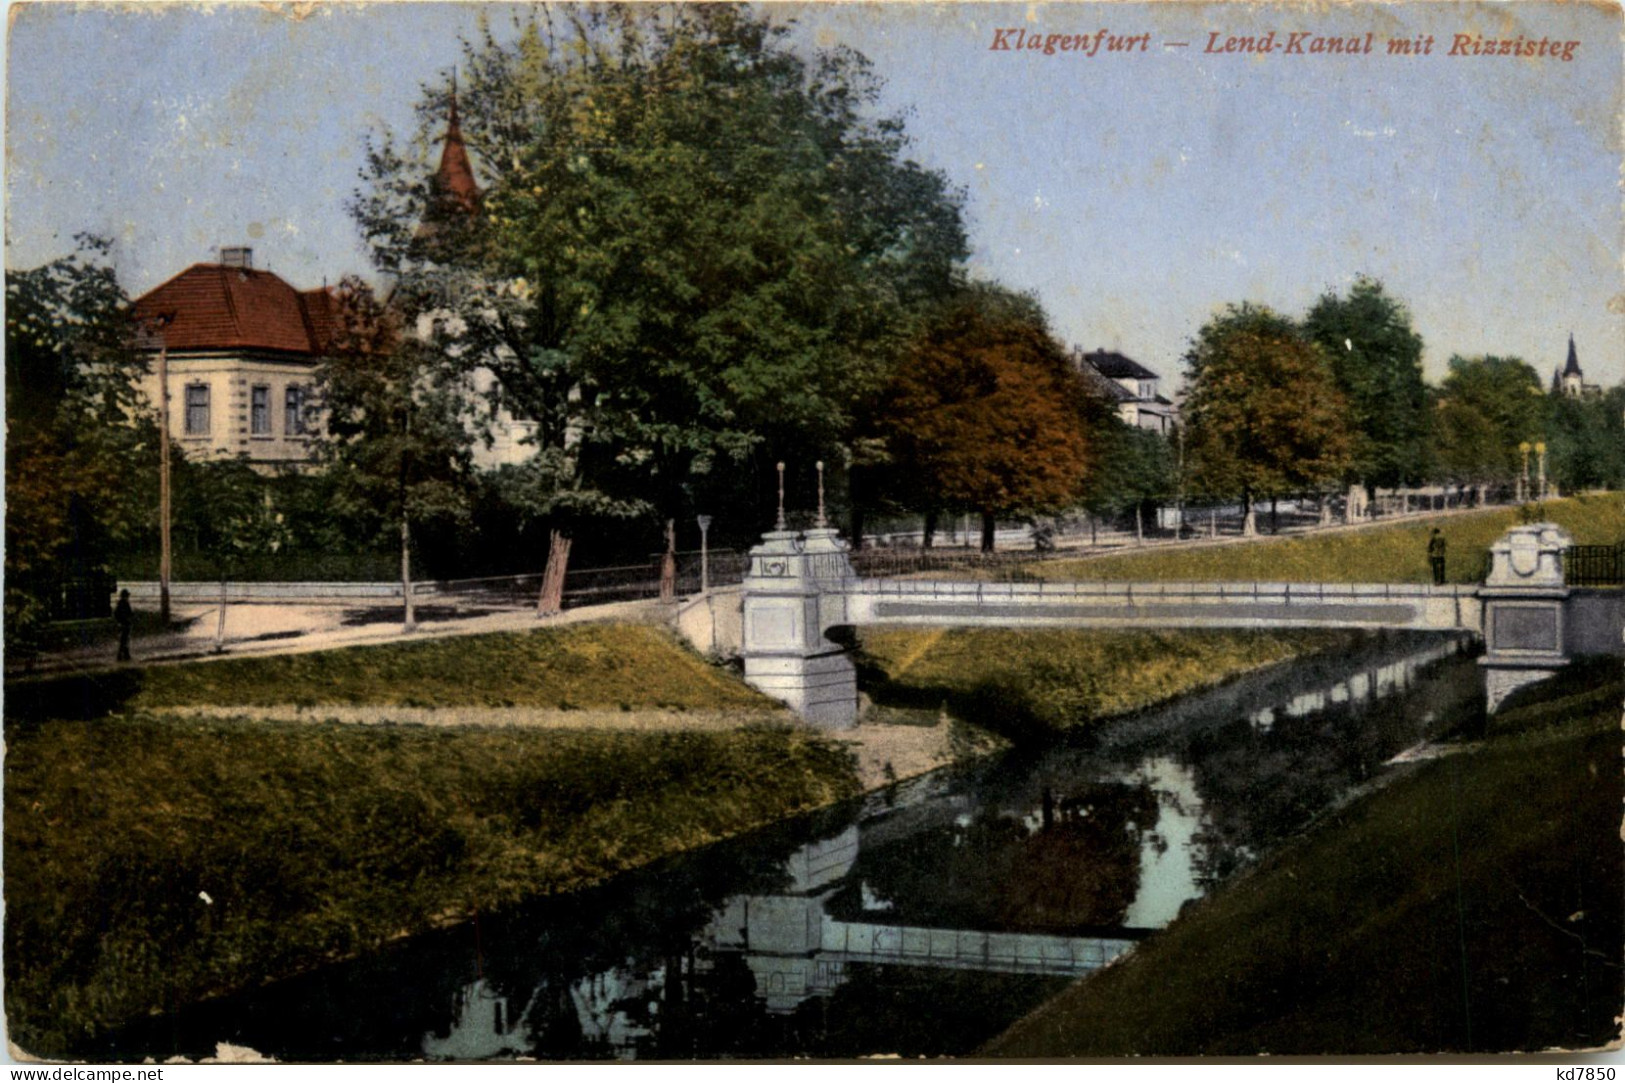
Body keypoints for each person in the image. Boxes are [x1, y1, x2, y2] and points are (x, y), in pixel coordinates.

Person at [114, 588, 134, 662]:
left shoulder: (120, 603)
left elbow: (116, 614)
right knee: (124, 640)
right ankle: (122, 655)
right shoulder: (125, 603)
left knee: (124, 640)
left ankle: (125, 655)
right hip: (125, 624)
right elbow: (129, 613)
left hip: (123, 624)